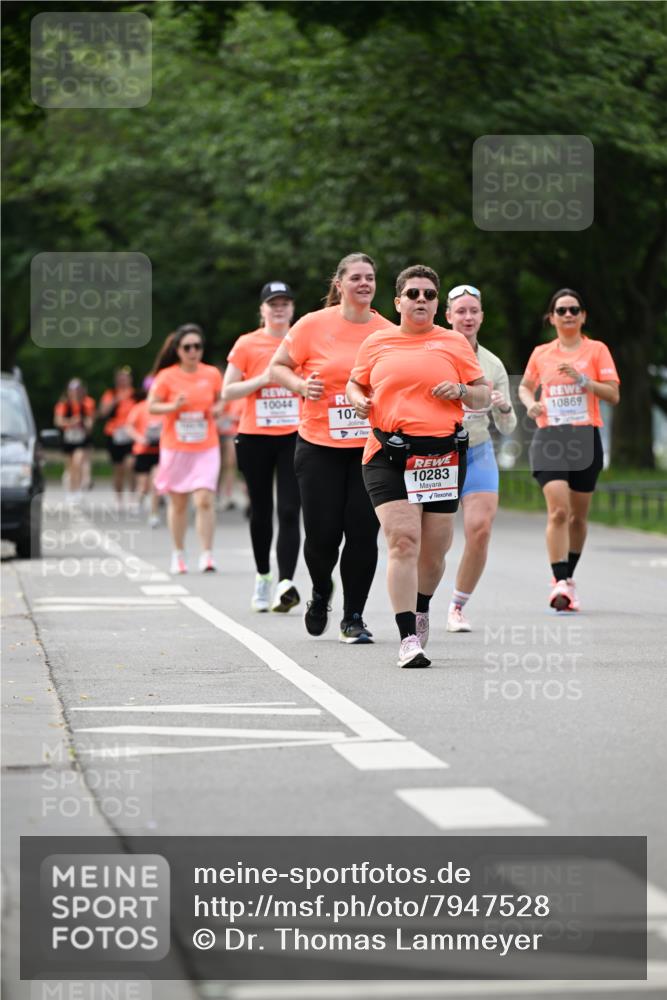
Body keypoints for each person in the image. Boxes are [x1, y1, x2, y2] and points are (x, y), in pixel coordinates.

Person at [346, 265, 489, 667]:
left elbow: (481, 395)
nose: (421, 300)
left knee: (434, 550)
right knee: (403, 540)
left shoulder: (454, 343)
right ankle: (408, 637)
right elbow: (355, 383)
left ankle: (422, 605)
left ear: (436, 302)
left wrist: (461, 390)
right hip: (387, 453)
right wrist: (357, 397)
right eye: (413, 294)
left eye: (428, 294)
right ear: (397, 302)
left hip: (442, 455)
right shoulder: (377, 342)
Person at [270, 253, 393, 643]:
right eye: (355, 277)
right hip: (318, 445)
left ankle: (353, 617)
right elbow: (279, 367)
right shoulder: (312, 324)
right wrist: (302, 387)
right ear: (339, 284)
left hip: (370, 448)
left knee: (362, 532)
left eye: (370, 278)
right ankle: (321, 591)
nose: (364, 284)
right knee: (322, 535)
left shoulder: (387, 331)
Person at [518, 288, 620, 611]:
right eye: (561, 310)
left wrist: (584, 381)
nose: (568, 315)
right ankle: (559, 580)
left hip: (584, 439)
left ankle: (569, 577)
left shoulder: (597, 350)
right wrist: (531, 403)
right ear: (551, 318)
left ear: (583, 316)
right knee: (559, 510)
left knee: (578, 517)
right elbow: (524, 386)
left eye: (574, 309)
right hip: (550, 438)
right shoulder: (541, 353)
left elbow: (613, 395)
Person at [223, 282, 302, 613]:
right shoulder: (247, 343)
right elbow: (227, 391)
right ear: (263, 310)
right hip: (254, 435)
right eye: (273, 303)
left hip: (294, 435)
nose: (279, 308)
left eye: (285, 302)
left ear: (292, 309)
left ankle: (285, 582)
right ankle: (263, 576)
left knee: (288, 509)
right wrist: (264, 380)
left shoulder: (302, 340)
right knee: (261, 510)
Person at [443, 284, 517, 632]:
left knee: (480, 529)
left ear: (482, 316)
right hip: (438, 455)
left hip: (478, 451)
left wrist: (502, 406)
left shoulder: (492, 363)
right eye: (461, 311)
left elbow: (509, 425)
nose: (468, 317)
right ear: (448, 317)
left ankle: (457, 606)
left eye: (473, 311)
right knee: (435, 540)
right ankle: (419, 602)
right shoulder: (434, 352)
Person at [147, 324, 224, 573]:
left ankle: (207, 554)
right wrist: (172, 406)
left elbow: (222, 398)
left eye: (197, 346)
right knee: (178, 502)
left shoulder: (211, 373)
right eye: (187, 347)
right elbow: (152, 407)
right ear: (178, 350)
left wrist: (218, 408)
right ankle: (178, 553)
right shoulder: (167, 376)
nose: (193, 351)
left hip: (206, 446)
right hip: (176, 446)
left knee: (204, 499)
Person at [98, 366, 137, 506]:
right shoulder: (111, 394)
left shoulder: (135, 395)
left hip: (130, 433)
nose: (123, 380)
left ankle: (133, 495)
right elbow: (102, 412)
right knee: (118, 468)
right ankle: (118, 497)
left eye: (126, 377)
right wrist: (115, 400)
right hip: (114, 434)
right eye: (121, 377)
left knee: (131, 464)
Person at [125, 387, 163, 527]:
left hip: (159, 450)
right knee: (144, 485)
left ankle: (154, 514)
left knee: (156, 483)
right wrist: (139, 438)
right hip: (143, 450)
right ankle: (138, 501)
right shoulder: (140, 407)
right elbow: (129, 426)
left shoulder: (164, 408)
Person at [53, 379, 95, 500]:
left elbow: (90, 420)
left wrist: (86, 424)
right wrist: (71, 422)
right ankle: (71, 490)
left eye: (77, 390)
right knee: (70, 466)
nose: (75, 393)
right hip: (69, 438)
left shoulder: (87, 403)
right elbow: (58, 421)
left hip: (81, 438)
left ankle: (77, 489)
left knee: (78, 462)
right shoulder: (64, 404)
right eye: (73, 390)